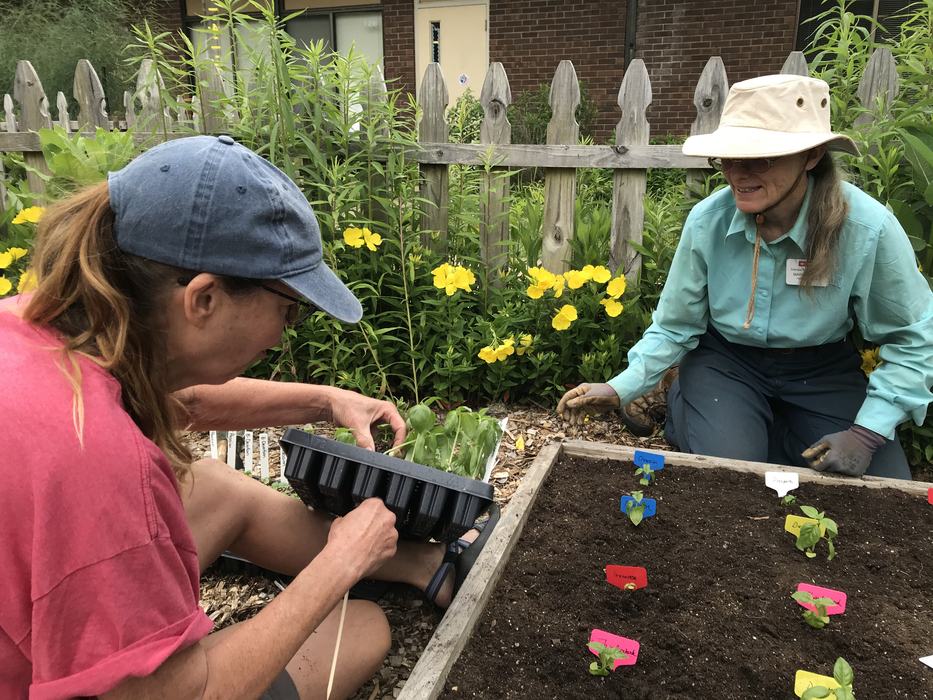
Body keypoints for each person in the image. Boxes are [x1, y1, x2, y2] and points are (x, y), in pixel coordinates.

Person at [0, 135, 495, 699]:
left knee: (215, 487)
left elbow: (184, 401)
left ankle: (420, 565)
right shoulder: (99, 465)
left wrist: (323, 399)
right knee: (362, 630)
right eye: (288, 310)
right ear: (204, 299)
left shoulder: (38, 328)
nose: (287, 332)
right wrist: (339, 565)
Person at [557, 74, 933, 480]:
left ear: (811, 156)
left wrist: (866, 435)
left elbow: (913, 337)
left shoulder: (867, 229)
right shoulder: (708, 223)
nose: (738, 173)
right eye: (730, 158)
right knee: (732, 475)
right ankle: (685, 398)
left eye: (761, 158)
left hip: (821, 369)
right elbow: (675, 326)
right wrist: (619, 388)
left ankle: (755, 424)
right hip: (727, 362)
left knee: (884, 484)